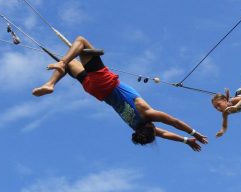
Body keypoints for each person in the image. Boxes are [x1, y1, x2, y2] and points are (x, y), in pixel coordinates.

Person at [32, 36, 208, 151]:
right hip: (95, 91)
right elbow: (165, 134)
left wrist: (194, 133)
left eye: (153, 130)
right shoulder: (134, 125)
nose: (157, 130)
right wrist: (186, 141)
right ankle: (50, 84)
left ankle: (60, 65)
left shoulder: (147, 113)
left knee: (81, 42)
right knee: (73, 64)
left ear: (149, 127)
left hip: (106, 83)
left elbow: (174, 122)